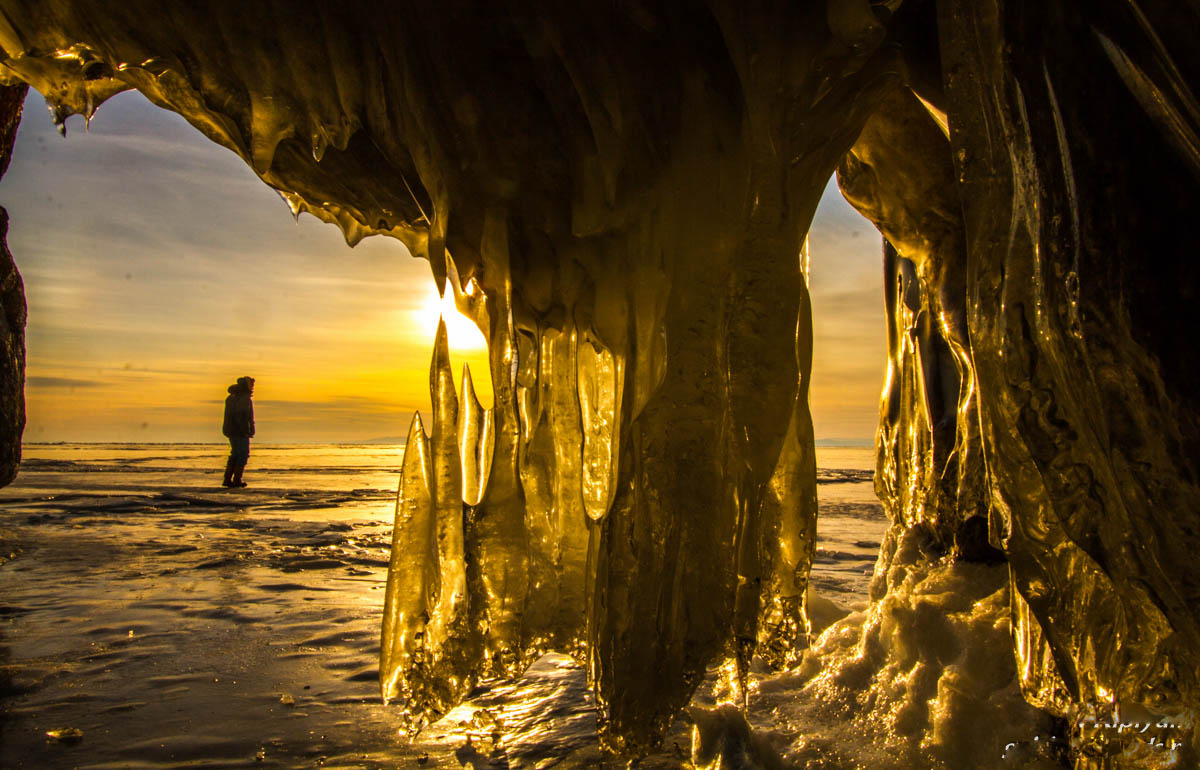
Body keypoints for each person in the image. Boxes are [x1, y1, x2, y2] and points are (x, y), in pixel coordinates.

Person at [222, 376, 255, 488]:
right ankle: (236, 480)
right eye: (251, 384)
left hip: (230, 430)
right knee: (242, 454)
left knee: (236, 454)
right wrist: (246, 430)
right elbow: (242, 416)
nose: (253, 386)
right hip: (239, 431)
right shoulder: (244, 398)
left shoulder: (231, 397)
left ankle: (228, 479)